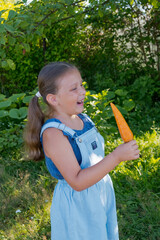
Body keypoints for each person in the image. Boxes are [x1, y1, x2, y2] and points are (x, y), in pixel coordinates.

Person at [24, 61, 139, 240]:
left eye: (81, 85)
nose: (83, 92)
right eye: (74, 89)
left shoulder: (82, 119)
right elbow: (77, 182)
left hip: (100, 192)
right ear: (53, 99)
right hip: (78, 205)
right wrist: (116, 156)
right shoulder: (54, 134)